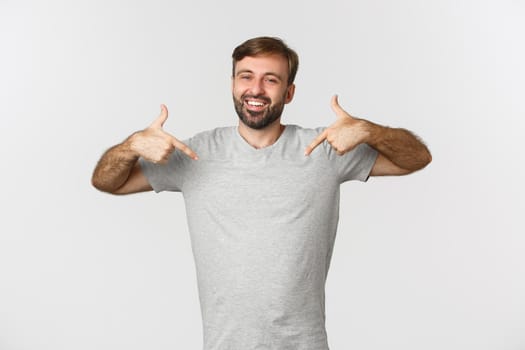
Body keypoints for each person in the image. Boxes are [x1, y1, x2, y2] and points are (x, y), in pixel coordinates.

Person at [92, 36, 431, 350]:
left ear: (289, 92)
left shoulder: (323, 151)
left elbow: (416, 158)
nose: (255, 88)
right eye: (246, 76)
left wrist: (368, 131)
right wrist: (131, 145)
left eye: (271, 79)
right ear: (232, 84)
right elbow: (108, 182)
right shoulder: (194, 153)